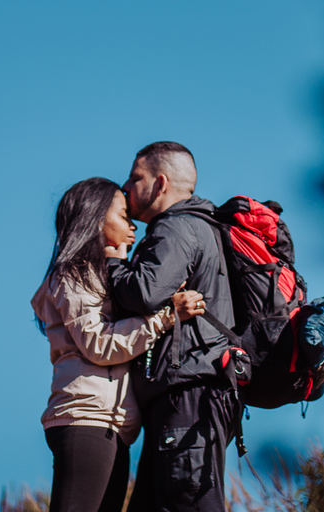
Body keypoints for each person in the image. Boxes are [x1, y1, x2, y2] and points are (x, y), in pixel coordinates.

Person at [31, 177, 206, 512]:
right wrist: (166, 317)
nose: (132, 226)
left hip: (110, 427)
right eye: (124, 216)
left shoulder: (98, 275)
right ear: (97, 218)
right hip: (86, 419)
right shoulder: (74, 275)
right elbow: (99, 343)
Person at [107, 142, 237, 512]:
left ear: (160, 183)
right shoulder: (199, 226)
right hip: (192, 389)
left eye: (136, 178)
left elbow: (145, 292)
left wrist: (115, 262)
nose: (127, 187)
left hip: (188, 391)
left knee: (189, 503)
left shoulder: (177, 227)